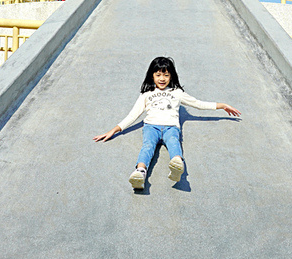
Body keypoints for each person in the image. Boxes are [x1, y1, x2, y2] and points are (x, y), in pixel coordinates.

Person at [93, 56, 240, 190]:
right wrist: (114, 130)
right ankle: (140, 171)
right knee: (148, 146)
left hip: (171, 127)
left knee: (174, 142)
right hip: (151, 127)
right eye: (158, 75)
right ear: (152, 76)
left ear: (171, 76)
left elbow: (198, 103)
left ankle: (177, 164)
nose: (162, 78)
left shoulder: (177, 92)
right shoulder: (146, 94)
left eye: (166, 75)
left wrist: (221, 105)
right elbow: (133, 115)